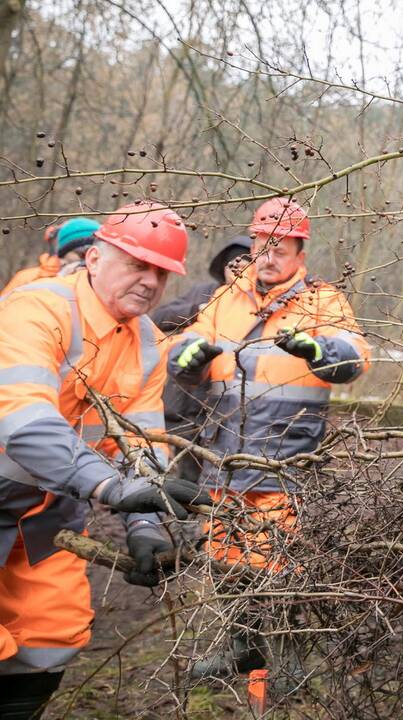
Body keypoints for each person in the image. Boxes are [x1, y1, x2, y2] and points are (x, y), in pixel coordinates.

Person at [0, 202, 210, 719]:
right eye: (136, 264)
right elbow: (24, 421)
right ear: (93, 258)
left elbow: (141, 443)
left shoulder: (146, 344)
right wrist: (110, 489)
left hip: (47, 516)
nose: (149, 281)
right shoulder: (35, 309)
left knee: (50, 632)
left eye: (161, 272)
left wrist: (144, 521)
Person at [168, 197, 369, 684]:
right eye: (263, 244)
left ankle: (288, 660)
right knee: (226, 558)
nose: (270, 255)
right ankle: (241, 647)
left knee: (280, 562)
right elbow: (183, 357)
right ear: (252, 243)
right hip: (223, 455)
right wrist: (184, 357)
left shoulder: (323, 301)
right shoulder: (224, 299)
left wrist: (322, 349)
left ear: (300, 250)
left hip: (285, 457)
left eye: (281, 247)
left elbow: (356, 358)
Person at [151, 235, 252, 482]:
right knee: (183, 466)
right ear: (223, 269)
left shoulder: (260, 305)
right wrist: (198, 310)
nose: (238, 272)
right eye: (233, 266)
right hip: (185, 400)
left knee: (218, 469)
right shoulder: (203, 293)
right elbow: (159, 317)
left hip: (223, 405)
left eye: (246, 266)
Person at [2, 217, 101, 295]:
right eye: (82, 255)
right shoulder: (28, 279)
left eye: (96, 256)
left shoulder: (106, 285)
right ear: (62, 256)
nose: (89, 261)